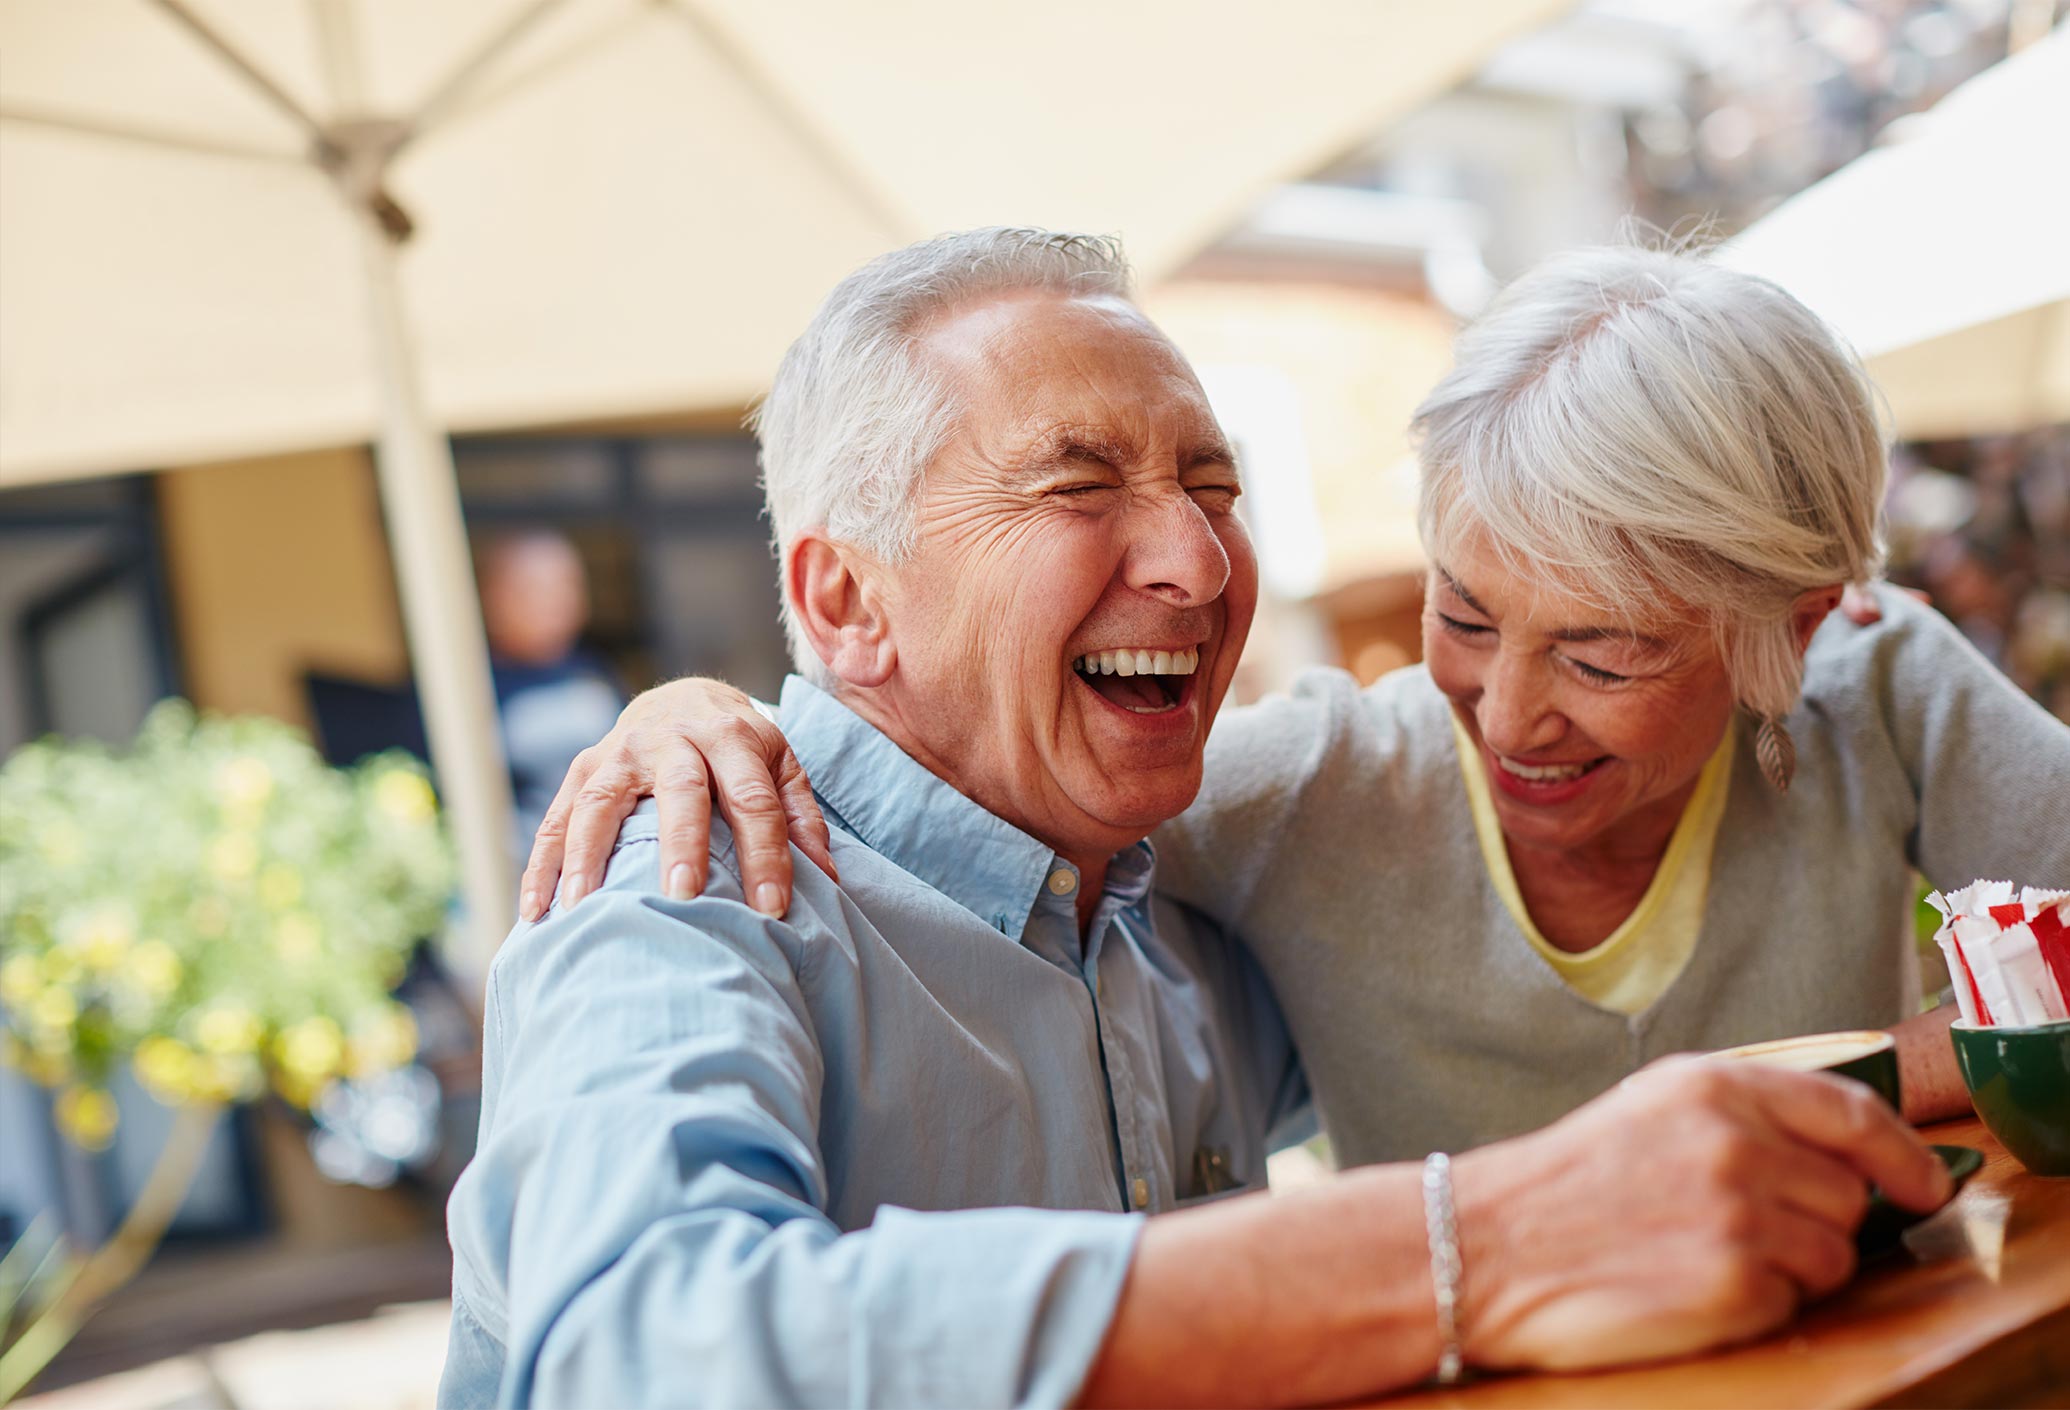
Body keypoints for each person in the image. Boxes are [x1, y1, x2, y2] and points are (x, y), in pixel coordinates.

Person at [442, 229, 1949, 1408]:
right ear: (846, 597)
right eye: (1078, 484)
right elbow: (633, 1356)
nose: (1196, 558)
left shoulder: (1180, 915)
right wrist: (1460, 1252)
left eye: (1212, 483)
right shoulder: (689, 876)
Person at [474, 529, 625, 854]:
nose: (557, 601)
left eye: (567, 586)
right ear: (493, 596)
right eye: (534, 589)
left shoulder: (595, 671)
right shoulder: (471, 685)